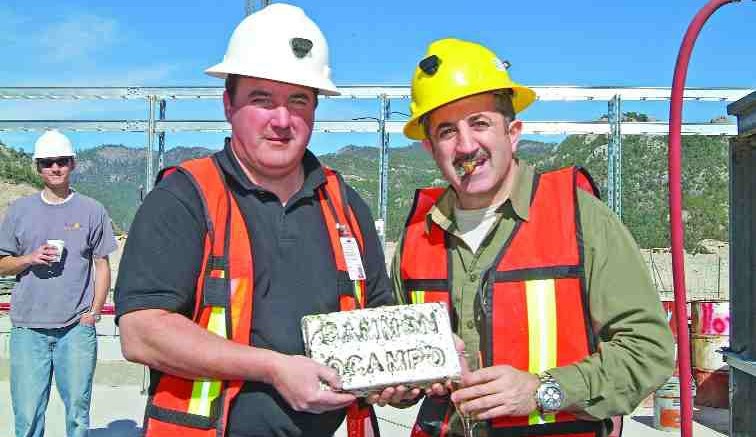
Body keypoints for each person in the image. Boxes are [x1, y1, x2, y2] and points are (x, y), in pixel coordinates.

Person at [114, 4, 393, 437]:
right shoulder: (184, 198)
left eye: (298, 100)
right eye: (262, 100)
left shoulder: (344, 204)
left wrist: (418, 362)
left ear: (316, 108)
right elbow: (141, 332)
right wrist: (273, 369)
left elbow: (380, 314)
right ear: (229, 105)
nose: (282, 120)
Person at [391, 38, 675, 437]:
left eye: (480, 123)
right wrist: (401, 382)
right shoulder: (416, 237)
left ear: (513, 132)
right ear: (429, 146)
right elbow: (401, 368)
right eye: (447, 131)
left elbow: (649, 351)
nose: (466, 146)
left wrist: (543, 390)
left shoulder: (581, 218)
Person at [0, 129, 117, 437]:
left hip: (76, 329)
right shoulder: (19, 211)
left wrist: (93, 312)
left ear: (73, 164)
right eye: (48, 162)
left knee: (78, 414)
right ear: (37, 167)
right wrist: (28, 258)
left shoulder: (92, 210)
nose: (55, 168)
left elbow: (102, 264)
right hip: (28, 329)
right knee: (27, 417)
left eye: (62, 161)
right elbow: (2, 264)